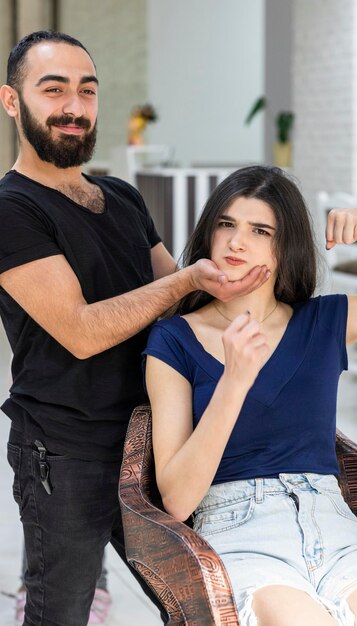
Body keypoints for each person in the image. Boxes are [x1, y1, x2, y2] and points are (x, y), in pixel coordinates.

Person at [0, 31, 269, 626]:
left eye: (87, 91)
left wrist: (247, 265)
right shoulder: (12, 209)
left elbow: (179, 302)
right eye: (53, 90)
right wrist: (184, 282)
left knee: (197, 601)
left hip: (153, 441)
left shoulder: (120, 196)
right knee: (59, 613)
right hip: (65, 455)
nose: (74, 106)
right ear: (12, 102)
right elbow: (81, 330)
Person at [143, 165, 357, 626]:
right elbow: (177, 500)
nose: (236, 242)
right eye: (226, 224)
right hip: (241, 533)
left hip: (335, 527)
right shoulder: (174, 340)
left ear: (284, 246)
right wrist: (233, 382)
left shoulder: (324, 321)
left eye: (259, 230)